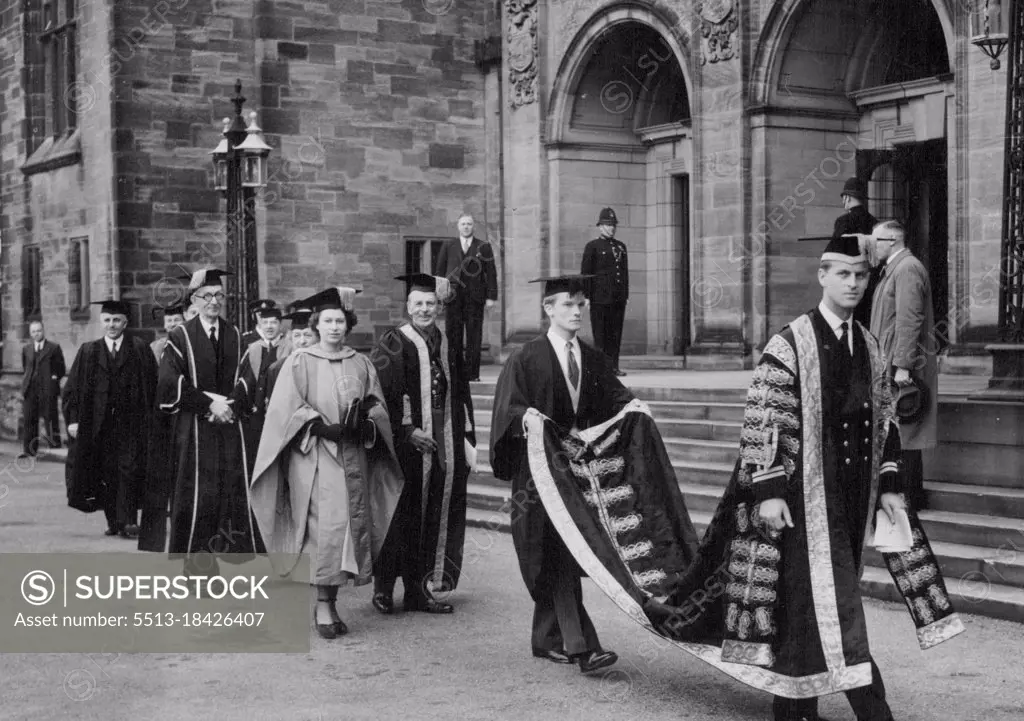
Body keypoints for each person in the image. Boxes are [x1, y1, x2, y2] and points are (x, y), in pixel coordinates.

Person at [644, 235, 963, 721]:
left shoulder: (872, 346)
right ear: (822, 276)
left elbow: (886, 421)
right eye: (843, 275)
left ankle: (794, 707)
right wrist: (769, 492)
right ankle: (873, 709)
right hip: (798, 499)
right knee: (834, 604)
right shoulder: (790, 342)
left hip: (852, 499)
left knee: (806, 605)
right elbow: (763, 422)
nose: (853, 283)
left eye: (860, 275)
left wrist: (891, 486)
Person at [489, 274, 634, 674]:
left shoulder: (591, 357)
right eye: (567, 305)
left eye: (580, 305)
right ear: (548, 309)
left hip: (576, 474)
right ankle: (578, 645)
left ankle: (564, 642)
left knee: (562, 555)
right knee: (547, 554)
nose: (575, 311)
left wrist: (637, 410)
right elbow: (508, 409)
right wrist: (527, 418)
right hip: (537, 475)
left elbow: (615, 400)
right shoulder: (526, 357)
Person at [251, 286, 404, 639]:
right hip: (316, 456)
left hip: (353, 455)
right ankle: (324, 607)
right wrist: (321, 426)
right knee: (324, 531)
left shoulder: (361, 361)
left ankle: (330, 602)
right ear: (317, 325)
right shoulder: (300, 362)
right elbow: (286, 408)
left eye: (340, 321)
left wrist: (367, 421)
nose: (334, 327)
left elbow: (376, 404)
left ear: (347, 325)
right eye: (328, 321)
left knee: (346, 532)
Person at [370, 273, 474, 615]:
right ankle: (384, 588)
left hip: (442, 438)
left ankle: (418, 589)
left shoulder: (446, 342)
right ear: (408, 306)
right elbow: (386, 391)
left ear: (439, 306)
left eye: (431, 303)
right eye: (418, 303)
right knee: (400, 513)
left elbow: (460, 393)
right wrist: (407, 430)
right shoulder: (394, 341)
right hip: (407, 444)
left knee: (429, 515)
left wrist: (465, 436)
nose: (425, 309)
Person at [145, 268, 258, 571]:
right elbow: (171, 382)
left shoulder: (235, 334)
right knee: (199, 497)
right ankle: (197, 569)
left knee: (226, 494)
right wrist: (210, 404)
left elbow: (248, 379)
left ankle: (219, 560)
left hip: (228, 428)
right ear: (194, 300)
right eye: (207, 296)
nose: (214, 301)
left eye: (219, 295)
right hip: (195, 429)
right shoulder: (180, 335)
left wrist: (230, 404)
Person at [62, 300, 158, 537]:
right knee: (106, 472)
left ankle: (128, 521)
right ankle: (113, 520)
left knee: (130, 469)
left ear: (125, 322)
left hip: (132, 423)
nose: (111, 325)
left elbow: (153, 386)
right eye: (107, 320)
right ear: (101, 322)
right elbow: (72, 390)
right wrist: (73, 420)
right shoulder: (89, 351)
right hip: (99, 425)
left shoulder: (138, 348)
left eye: (116, 320)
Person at [861, 220, 937, 512]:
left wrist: (902, 367)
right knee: (900, 429)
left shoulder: (906, 268)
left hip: (901, 367)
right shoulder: (896, 269)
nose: (871, 246)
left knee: (906, 429)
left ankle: (910, 499)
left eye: (875, 241)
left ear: (891, 240)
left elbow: (909, 320)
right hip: (891, 362)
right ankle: (904, 497)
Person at [434, 213, 498, 382]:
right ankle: (455, 373)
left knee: (474, 335)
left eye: (469, 224)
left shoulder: (483, 246)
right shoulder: (449, 245)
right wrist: (439, 294)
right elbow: (440, 271)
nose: (466, 226)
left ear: (473, 226)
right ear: (458, 226)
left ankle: (472, 374)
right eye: (463, 224)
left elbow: (491, 272)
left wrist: (491, 296)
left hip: (475, 298)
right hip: (453, 297)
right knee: (453, 335)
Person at [236, 298, 290, 471]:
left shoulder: (289, 348)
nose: (269, 326)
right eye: (265, 322)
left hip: (281, 412)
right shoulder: (252, 348)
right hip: (256, 412)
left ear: (280, 324)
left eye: (273, 322)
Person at [581, 207, 629, 376]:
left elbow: (624, 273)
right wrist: (586, 296)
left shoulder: (621, 247)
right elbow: (586, 273)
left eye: (613, 225)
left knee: (615, 334)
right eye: (608, 225)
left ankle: (614, 366)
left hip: (617, 298)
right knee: (600, 335)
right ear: (600, 226)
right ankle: (602, 369)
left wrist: (625, 295)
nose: (611, 228)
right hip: (599, 298)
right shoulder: (592, 246)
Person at [832, 177, 879, 328]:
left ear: (847, 198)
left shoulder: (843, 222)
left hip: (848, 282)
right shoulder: (875, 223)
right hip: (869, 282)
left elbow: (835, 254)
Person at [21, 320, 66, 456]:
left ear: (43, 330)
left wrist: (53, 378)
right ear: (30, 333)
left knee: (50, 418)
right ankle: (29, 451)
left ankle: (55, 448)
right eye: (33, 331)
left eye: (39, 330)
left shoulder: (53, 348)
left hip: (47, 389)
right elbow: (26, 367)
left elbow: (61, 368)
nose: (36, 334)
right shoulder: (26, 349)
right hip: (30, 389)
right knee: (29, 419)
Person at [262, 304, 318, 406]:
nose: (302, 341)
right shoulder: (276, 368)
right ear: (290, 338)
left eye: (307, 335)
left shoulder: (323, 365)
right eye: (297, 335)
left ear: (317, 339)